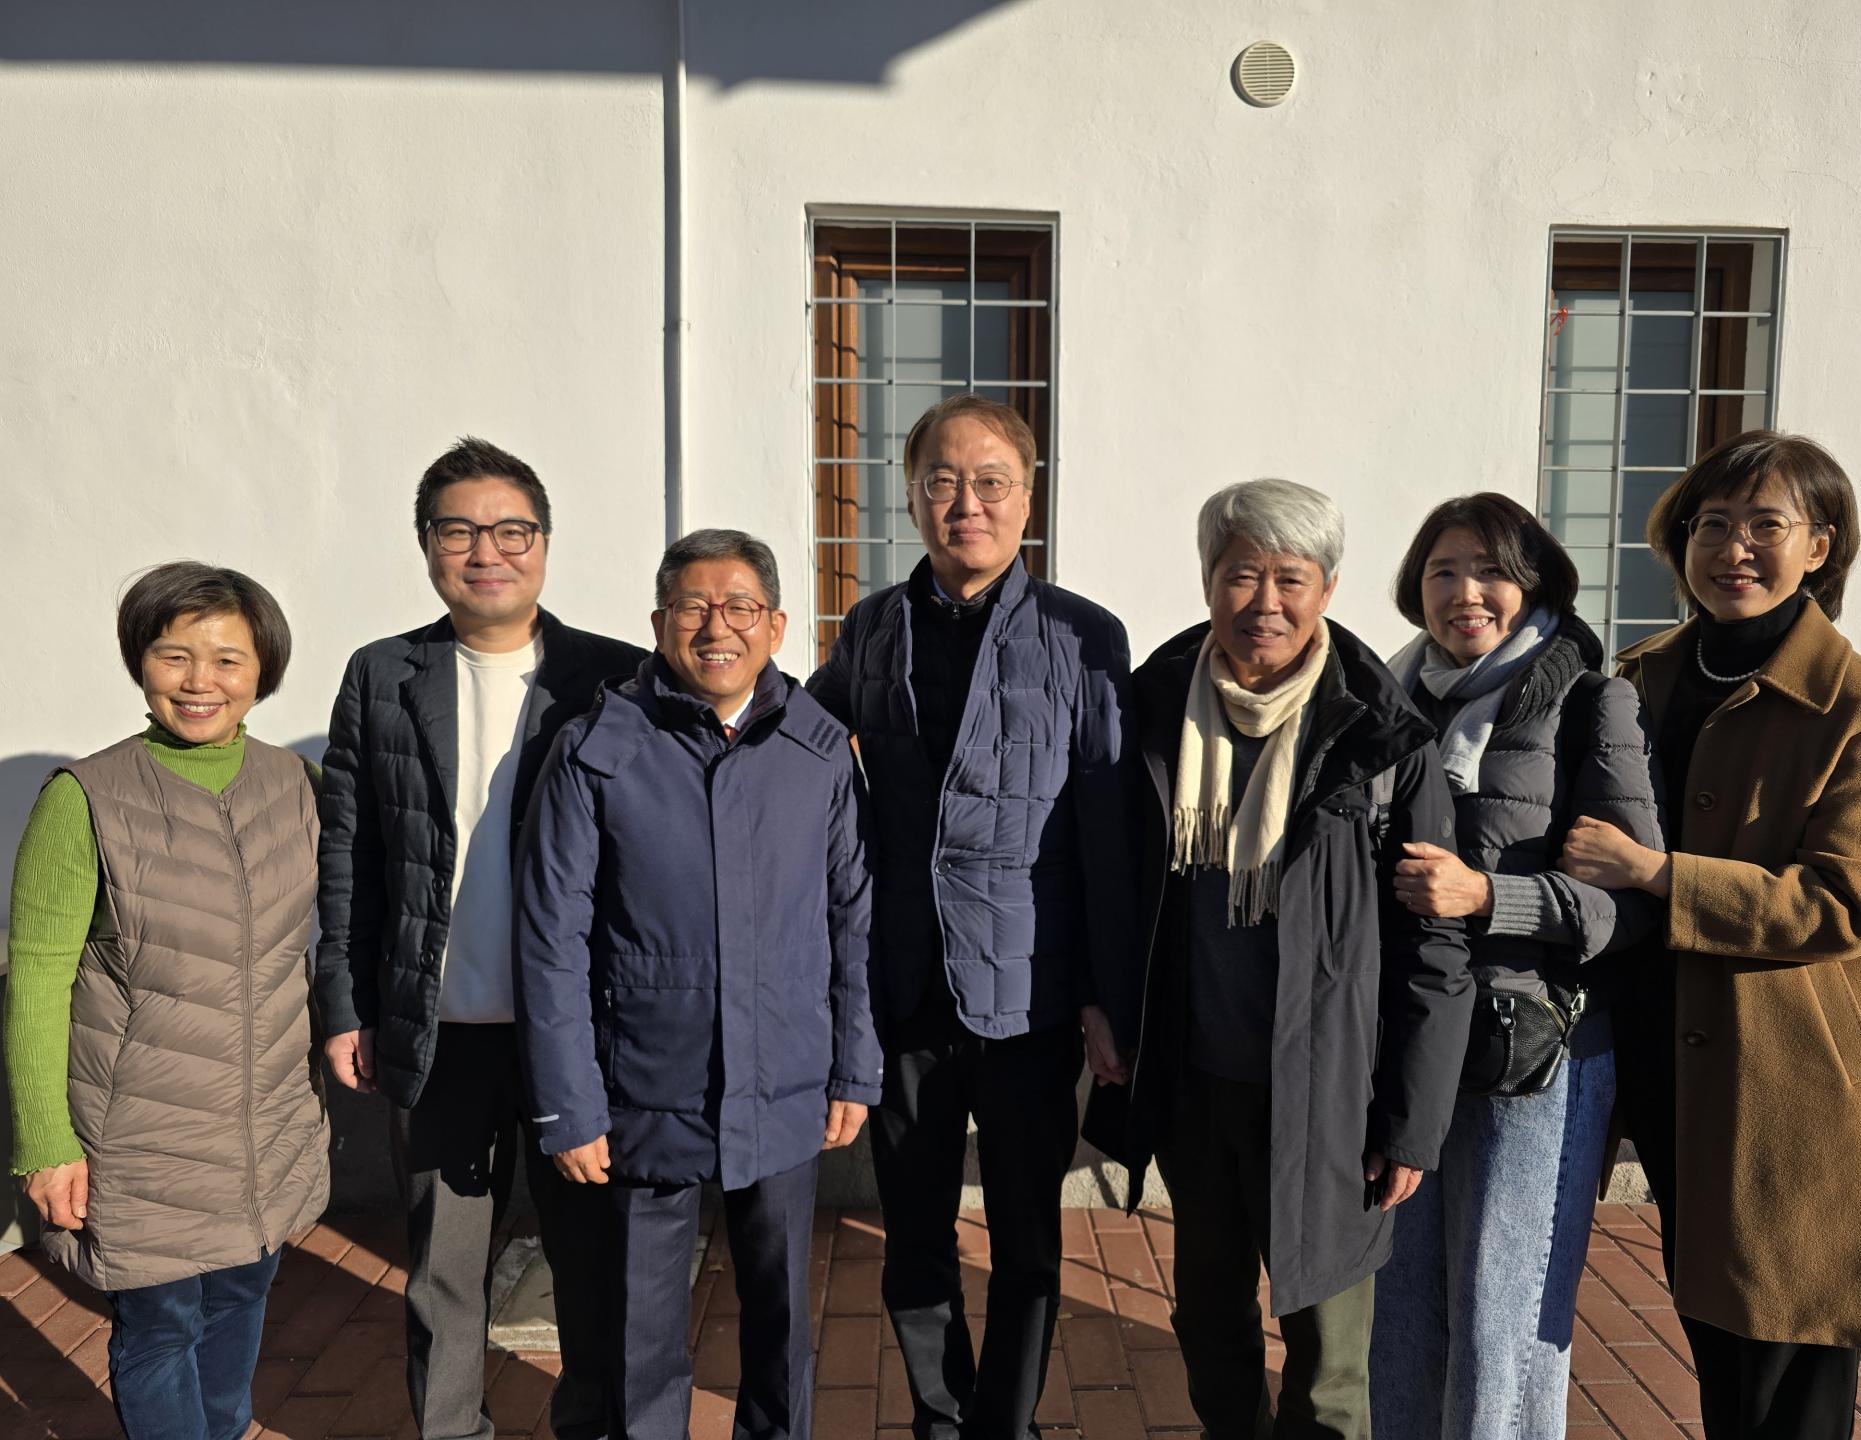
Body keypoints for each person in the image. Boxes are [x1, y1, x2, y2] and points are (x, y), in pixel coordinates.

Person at [1089, 478, 1473, 1440]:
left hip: (1330, 1096)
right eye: (1241, 575)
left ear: (1328, 589)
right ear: (1207, 581)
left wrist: (1412, 1124)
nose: (1265, 603)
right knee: (1208, 1320)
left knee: (1329, 1358)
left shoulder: (1381, 736)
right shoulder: (1150, 710)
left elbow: (1434, 946)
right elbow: (1113, 881)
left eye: (1290, 579)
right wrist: (1105, 1008)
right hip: (1195, 1084)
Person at [1557, 430, 1861, 1439]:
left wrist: (1657, 874)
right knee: (1721, 1348)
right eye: (1712, 525)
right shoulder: (1641, 678)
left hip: (1792, 1082)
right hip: (1669, 1065)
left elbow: (1839, 905)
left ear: (1821, 546)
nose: (1734, 549)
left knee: (1790, 1370)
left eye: (1767, 525)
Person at [806, 394, 1135, 1440]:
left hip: (1031, 987)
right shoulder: (872, 627)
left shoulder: (1084, 637)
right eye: (942, 482)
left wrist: (1102, 994)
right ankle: (941, 1418)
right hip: (904, 982)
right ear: (910, 499)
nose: (967, 504)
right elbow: (800, 740)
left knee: (1028, 1240)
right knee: (915, 1235)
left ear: (1028, 499)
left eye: (991, 482)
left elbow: (1106, 829)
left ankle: (1007, 1423)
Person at [515, 528, 881, 1440]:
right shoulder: (599, 746)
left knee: (782, 1324)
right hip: (642, 1085)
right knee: (639, 1335)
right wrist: (568, 1103)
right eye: (693, 606)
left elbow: (852, 918)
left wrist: (855, 1065)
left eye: (741, 607)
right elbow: (552, 940)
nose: (718, 627)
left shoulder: (818, 748)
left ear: (777, 626)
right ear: (659, 622)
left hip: (785, 1078)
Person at [313, 437, 643, 1440]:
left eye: (511, 530)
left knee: (593, 1261)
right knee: (443, 1271)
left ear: (545, 542)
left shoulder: (614, 677)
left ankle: (590, 1424)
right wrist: (345, 1006)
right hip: (437, 1027)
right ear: (426, 545)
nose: (486, 552)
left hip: (575, 1035)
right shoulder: (382, 674)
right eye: (459, 530)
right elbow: (350, 852)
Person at [5, 562, 328, 1440]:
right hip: (139, 1131)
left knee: (242, 1297)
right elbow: (36, 979)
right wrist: (44, 1142)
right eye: (174, 655)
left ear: (262, 670)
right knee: (161, 1325)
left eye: (226, 659)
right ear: (139, 662)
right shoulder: (85, 799)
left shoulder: (296, 786)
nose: (198, 682)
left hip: (266, 1120)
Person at [1366, 494, 1662, 1440]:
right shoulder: (1389, 698)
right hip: (1409, 1045)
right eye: (1444, 571)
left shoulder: (1588, 701)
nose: (1467, 592)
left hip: (1531, 1055)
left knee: (1502, 1325)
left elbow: (1633, 906)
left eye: (1491, 570)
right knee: (1400, 1320)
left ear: (1534, 585)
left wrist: (1488, 896)